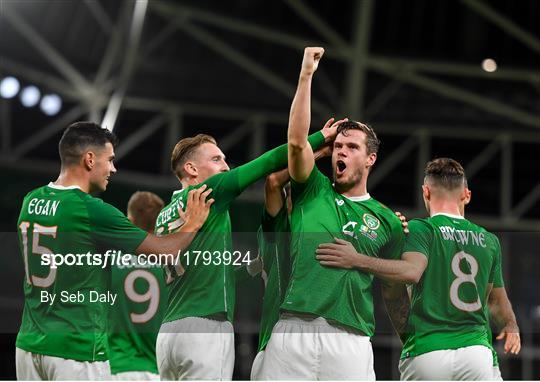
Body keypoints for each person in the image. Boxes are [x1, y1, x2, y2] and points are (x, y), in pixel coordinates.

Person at [15, 122, 212, 380]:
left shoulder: (31, 200)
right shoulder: (91, 209)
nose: (113, 168)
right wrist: (193, 223)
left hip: (28, 344)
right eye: (109, 160)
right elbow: (165, 251)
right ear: (89, 159)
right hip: (76, 348)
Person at [258, 47, 407, 380]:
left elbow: (395, 284)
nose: (342, 150)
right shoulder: (313, 188)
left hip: (350, 339)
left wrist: (362, 261)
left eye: (352, 147)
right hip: (292, 329)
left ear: (370, 159)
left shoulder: (387, 220)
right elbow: (295, 145)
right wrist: (306, 75)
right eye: (338, 146)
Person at [155, 124, 336, 379]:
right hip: (205, 327)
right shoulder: (209, 191)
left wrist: (250, 268)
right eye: (217, 159)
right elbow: (267, 163)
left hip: (169, 334)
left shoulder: (164, 215)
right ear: (192, 169)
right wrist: (318, 140)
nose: (226, 167)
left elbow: (203, 269)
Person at [317, 157, 521, 380]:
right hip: (476, 354)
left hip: (427, 352)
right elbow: (496, 300)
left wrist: (357, 259)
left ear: (426, 192)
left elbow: (410, 273)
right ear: (466, 195)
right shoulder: (489, 240)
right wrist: (511, 325)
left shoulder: (421, 229)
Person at [108, 191, 168, 380]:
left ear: (129, 219)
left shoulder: (108, 259)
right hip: (158, 368)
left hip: (117, 365)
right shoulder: (171, 264)